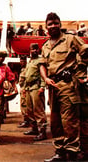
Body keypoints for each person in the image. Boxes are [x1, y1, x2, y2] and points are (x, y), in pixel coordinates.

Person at [40, 12, 88, 161]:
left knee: (69, 121)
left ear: (60, 24)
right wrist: (46, 78)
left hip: (68, 85)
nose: (53, 26)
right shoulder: (46, 45)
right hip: (52, 86)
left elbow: (86, 52)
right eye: (50, 24)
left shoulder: (70, 39)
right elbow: (42, 64)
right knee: (55, 121)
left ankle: (72, 152)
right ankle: (60, 152)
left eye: (56, 23)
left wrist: (79, 72)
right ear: (46, 27)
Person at [22, 43, 47, 141]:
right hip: (28, 88)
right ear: (30, 50)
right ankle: (34, 128)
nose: (35, 51)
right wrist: (24, 88)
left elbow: (43, 75)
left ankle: (42, 132)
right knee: (29, 110)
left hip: (36, 88)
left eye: (36, 49)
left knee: (38, 111)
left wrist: (42, 87)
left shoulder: (40, 61)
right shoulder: (30, 61)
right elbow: (26, 76)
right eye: (33, 49)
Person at [17, 56, 30, 128]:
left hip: (25, 89)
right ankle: (25, 120)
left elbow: (26, 80)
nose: (21, 62)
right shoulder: (22, 69)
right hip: (22, 89)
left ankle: (27, 121)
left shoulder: (27, 69)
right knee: (23, 105)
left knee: (25, 105)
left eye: (22, 61)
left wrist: (25, 89)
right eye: (20, 61)